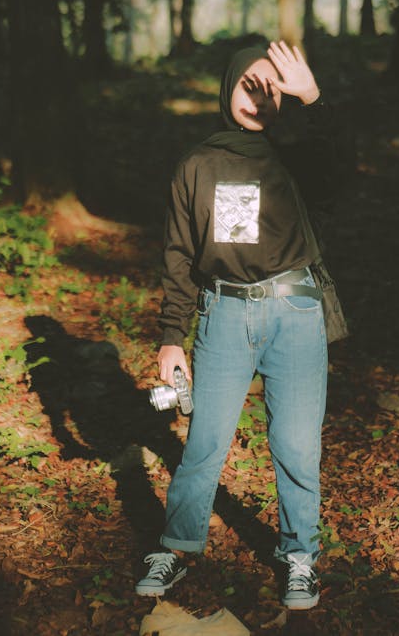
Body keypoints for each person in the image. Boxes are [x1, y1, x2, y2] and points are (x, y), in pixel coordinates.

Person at [135, 40, 347, 610]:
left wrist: (313, 99)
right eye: (248, 82)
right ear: (226, 86)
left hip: (295, 312)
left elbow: (339, 171)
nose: (259, 94)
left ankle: (300, 555)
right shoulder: (197, 164)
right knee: (204, 442)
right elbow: (179, 255)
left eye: (271, 86)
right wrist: (170, 338)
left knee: (297, 445)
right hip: (224, 314)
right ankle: (176, 547)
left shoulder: (297, 157)